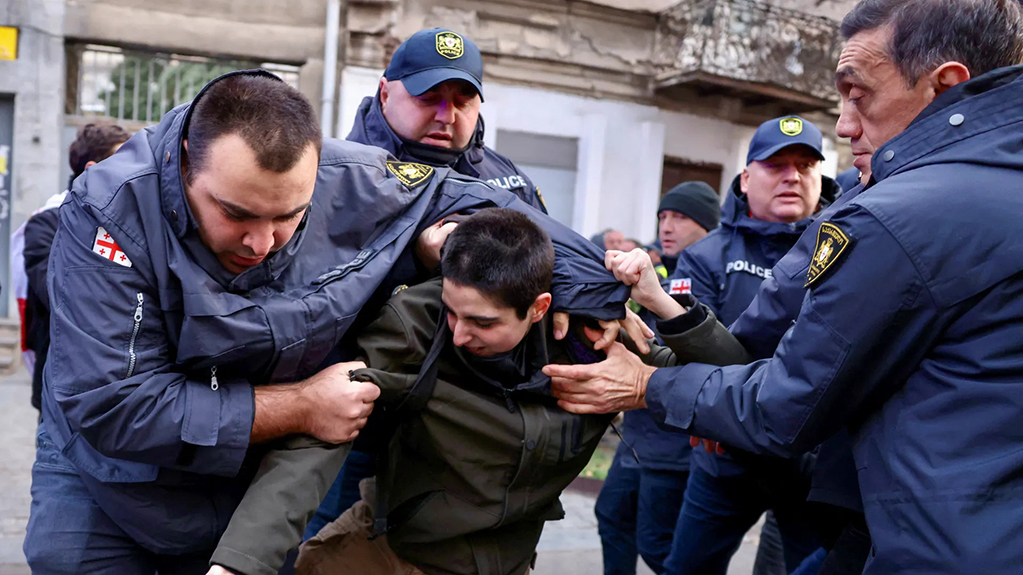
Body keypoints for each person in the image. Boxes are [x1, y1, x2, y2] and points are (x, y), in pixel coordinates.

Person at [23, 70, 627, 575]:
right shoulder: (108, 209)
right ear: (184, 163)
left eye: (289, 216)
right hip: (104, 479)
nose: (261, 243)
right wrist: (303, 404)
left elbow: (507, 217)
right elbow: (114, 404)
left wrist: (580, 292)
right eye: (235, 214)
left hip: (241, 477)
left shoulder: (358, 175)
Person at [546, 0, 1023, 572]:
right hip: (793, 478)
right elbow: (750, 345)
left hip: (919, 530)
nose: (844, 126)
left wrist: (646, 383)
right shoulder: (738, 245)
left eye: (859, 93)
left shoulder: (889, 217)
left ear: (943, 87)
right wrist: (653, 312)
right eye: (777, 165)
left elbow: (787, 401)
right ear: (746, 180)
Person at [207, 209, 672, 575]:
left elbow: (729, 384)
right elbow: (326, 426)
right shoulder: (419, 323)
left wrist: (657, 304)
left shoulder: (595, 340)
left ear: (539, 307)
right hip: (388, 556)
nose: (460, 334)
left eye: (482, 322)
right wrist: (240, 562)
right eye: (452, 311)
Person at [664, 116, 841, 575]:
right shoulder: (705, 256)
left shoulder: (844, 248)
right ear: (745, 178)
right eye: (776, 165)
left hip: (810, 467)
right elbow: (695, 356)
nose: (793, 176)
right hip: (726, 461)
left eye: (805, 165)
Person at [594, 180, 720, 575]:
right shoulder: (655, 267)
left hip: (673, 438)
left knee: (659, 544)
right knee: (611, 515)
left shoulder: (707, 273)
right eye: (663, 216)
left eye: (680, 217)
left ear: (706, 224)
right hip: (638, 429)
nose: (667, 226)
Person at [347, 27, 546, 212]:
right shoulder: (338, 177)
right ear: (385, 94)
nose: (447, 117)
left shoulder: (512, 186)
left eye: (462, 103)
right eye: (428, 98)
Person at [17, 122, 130, 411]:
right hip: (61, 393)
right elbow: (58, 293)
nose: (136, 170)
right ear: (92, 169)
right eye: (125, 160)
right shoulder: (46, 224)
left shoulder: (133, 223)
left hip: (125, 394)